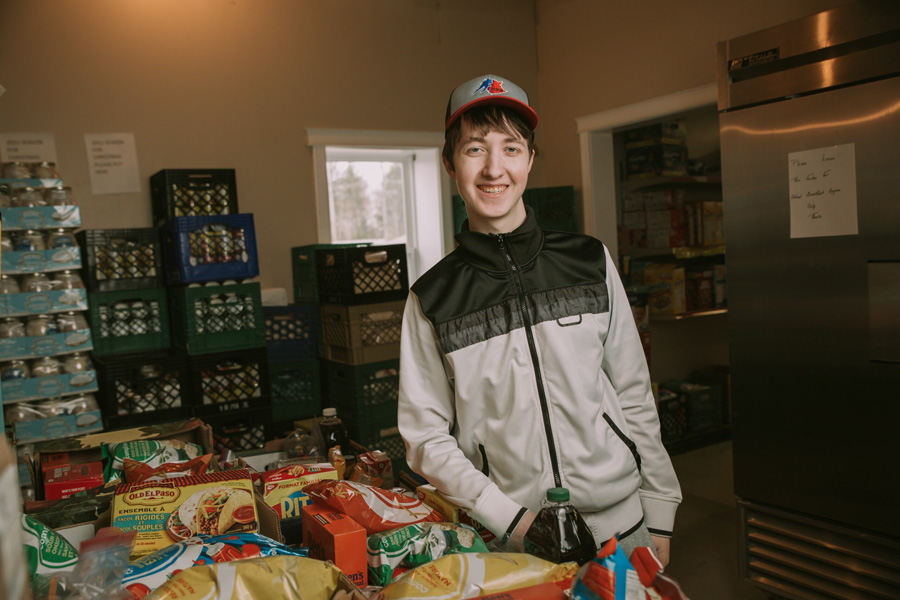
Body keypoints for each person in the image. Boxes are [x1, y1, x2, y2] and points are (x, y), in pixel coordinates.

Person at [397, 73, 681, 564]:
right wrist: (511, 519)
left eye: (511, 148)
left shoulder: (589, 260)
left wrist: (659, 508)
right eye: (474, 150)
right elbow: (424, 438)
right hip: (515, 541)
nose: (494, 168)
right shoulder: (433, 298)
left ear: (529, 158)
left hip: (623, 524)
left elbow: (634, 390)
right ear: (449, 163)